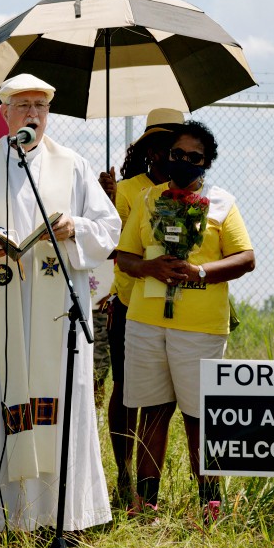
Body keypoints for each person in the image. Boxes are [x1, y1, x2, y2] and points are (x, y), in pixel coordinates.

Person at [0, 73, 121, 534]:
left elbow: (108, 226)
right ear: (4, 112)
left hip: (55, 316)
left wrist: (74, 227)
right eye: (23, 106)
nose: (33, 114)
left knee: (54, 396)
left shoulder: (72, 166)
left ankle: (59, 514)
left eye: (41, 105)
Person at [116, 120, 254, 522]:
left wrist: (200, 272)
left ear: (207, 162)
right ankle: (145, 505)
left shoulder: (222, 202)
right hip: (146, 320)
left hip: (200, 327)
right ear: (165, 156)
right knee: (153, 411)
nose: (185, 162)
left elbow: (246, 258)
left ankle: (210, 505)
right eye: (178, 155)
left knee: (200, 416)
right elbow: (124, 256)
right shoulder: (146, 199)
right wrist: (149, 267)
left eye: (195, 157)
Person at [100, 107, 183, 506]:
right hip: (132, 305)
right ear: (148, 150)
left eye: (176, 146)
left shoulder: (195, 191)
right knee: (127, 390)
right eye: (161, 145)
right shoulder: (128, 190)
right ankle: (124, 471)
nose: (169, 154)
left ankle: (150, 487)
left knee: (162, 399)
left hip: (180, 309)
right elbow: (115, 246)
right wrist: (107, 201)